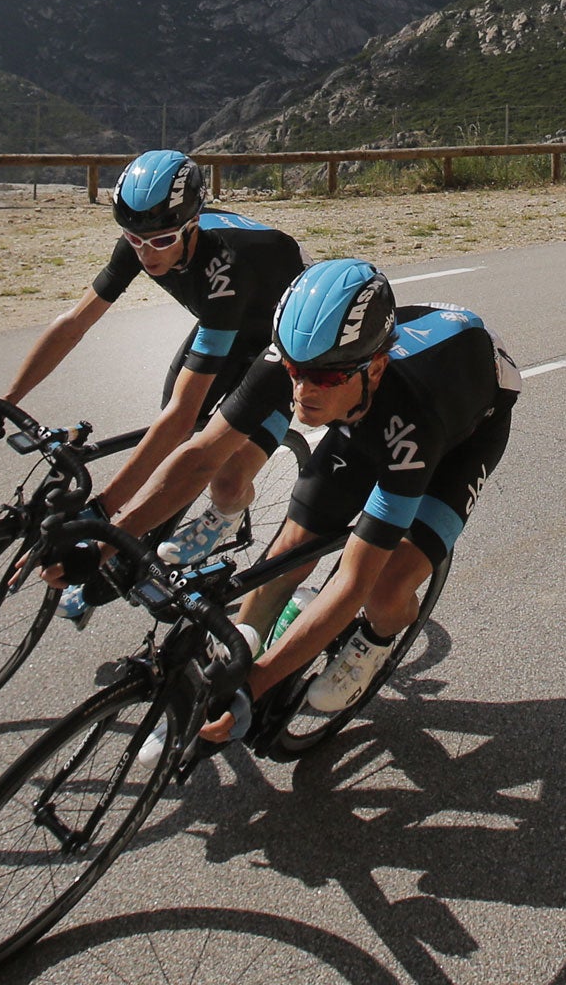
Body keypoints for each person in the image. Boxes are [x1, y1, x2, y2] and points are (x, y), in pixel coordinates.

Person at [0, 149, 304, 621]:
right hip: (228, 328)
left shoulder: (224, 268)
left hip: (285, 343)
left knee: (221, 468)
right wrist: (5, 401)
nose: (146, 253)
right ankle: (145, 539)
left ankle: (223, 515)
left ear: (192, 224)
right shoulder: (142, 241)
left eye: (162, 241)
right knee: (173, 441)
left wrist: (103, 511)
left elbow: (180, 420)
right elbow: (74, 323)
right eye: (134, 239)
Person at [189, 259, 522, 741]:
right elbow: (199, 452)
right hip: (371, 404)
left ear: (376, 366)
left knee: (383, 589)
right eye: (293, 370)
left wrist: (256, 685)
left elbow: (352, 582)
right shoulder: (315, 360)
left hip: (463, 431)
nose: (301, 391)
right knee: (288, 554)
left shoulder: (414, 420)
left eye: (321, 379)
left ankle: (376, 641)